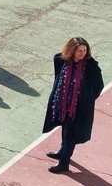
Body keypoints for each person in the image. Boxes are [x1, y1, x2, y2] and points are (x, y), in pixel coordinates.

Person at [42, 37, 104, 173]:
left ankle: (64, 163)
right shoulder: (61, 60)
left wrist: (86, 99)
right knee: (65, 128)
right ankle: (62, 151)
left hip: (78, 108)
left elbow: (99, 86)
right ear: (71, 50)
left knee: (71, 134)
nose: (83, 54)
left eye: (85, 50)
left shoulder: (91, 66)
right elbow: (58, 77)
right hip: (62, 103)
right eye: (79, 51)